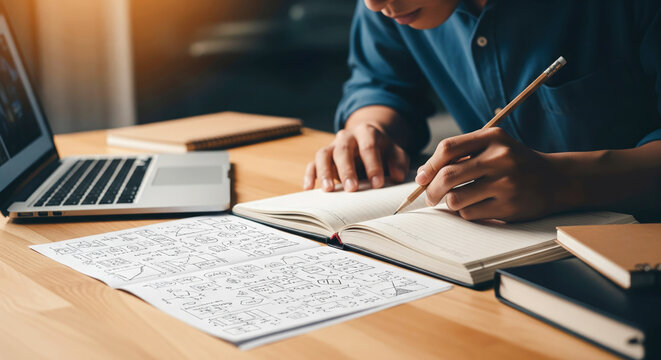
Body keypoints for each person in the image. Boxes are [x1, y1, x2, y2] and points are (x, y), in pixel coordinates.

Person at [303, 0, 661, 222]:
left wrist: (566, 181)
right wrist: (372, 128)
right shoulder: (396, 7)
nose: (372, 4)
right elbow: (379, 82)